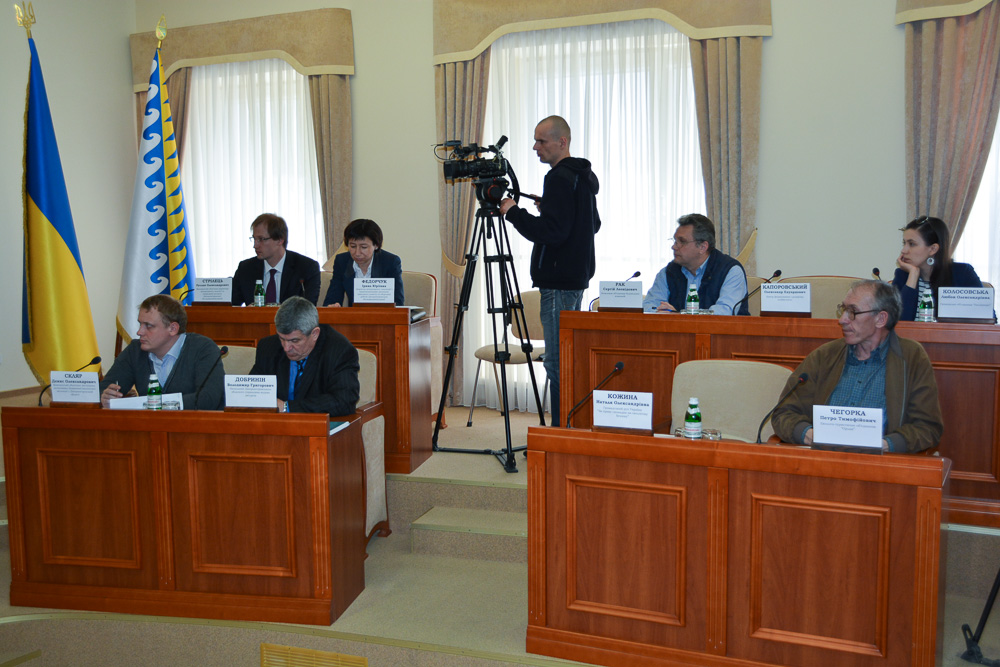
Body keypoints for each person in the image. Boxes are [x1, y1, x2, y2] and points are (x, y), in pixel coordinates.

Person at [497, 115, 601, 427]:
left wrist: (513, 212)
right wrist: (552, 209)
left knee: (556, 361)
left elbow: (552, 233)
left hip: (557, 281)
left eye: (541, 141)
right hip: (576, 277)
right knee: (565, 356)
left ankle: (559, 433)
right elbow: (592, 224)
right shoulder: (582, 175)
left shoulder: (558, 177)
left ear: (562, 142)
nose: (535, 147)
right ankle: (567, 428)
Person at [771, 280, 943, 453]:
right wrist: (809, 435)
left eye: (853, 312)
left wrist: (885, 445)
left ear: (881, 319)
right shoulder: (824, 356)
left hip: (880, 464)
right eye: (843, 309)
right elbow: (784, 413)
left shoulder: (912, 358)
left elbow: (927, 427)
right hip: (822, 459)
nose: (842, 320)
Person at [100, 294, 224, 410]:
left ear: (173, 328)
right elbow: (103, 390)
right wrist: (106, 396)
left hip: (196, 425)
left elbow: (209, 398)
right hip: (149, 425)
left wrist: (154, 405)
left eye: (148, 326)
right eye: (140, 324)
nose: (139, 332)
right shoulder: (135, 351)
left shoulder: (203, 349)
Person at [250, 296, 360, 415]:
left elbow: (344, 401)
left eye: (295, 341)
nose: (286, 348)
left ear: (315, 334)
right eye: (282, 338)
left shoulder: (339, 351)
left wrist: (287, 407)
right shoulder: (268, 347)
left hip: (317, 425)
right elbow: (252, 392)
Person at [642, 214, 749, 315]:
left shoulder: (730, 271)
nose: (674, 247)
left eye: (682, 242)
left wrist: (679, 316)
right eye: (675, 241)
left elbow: (724, 313)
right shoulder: (669, 272)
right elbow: (649, 305)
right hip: (676, 329)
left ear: (702, 247)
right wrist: (660, 312)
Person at [892, 215, 985, 320]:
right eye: (904, 243)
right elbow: (898, 322)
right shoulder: (903, 275)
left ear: (933, 249)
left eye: (912, 244)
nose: (904, 250)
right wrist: (913, 274)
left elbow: (987, 318)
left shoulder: (962, 273)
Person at [232, 213, 321, 306]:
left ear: (280, 240)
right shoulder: (245, 268)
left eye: (261, 239)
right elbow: (231, 305)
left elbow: (308, 308)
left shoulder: (306, 268)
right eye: (254, 239)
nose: (255, 245)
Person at [323, 218, 404, 307]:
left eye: (364, 247)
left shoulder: (390, 262)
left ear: (376, 245)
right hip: (354, 315)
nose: (357, 253)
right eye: (353, 246)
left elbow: (398, 302)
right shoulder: (342, 261)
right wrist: (333, 306)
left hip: (383, 315)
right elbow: (332, 298)